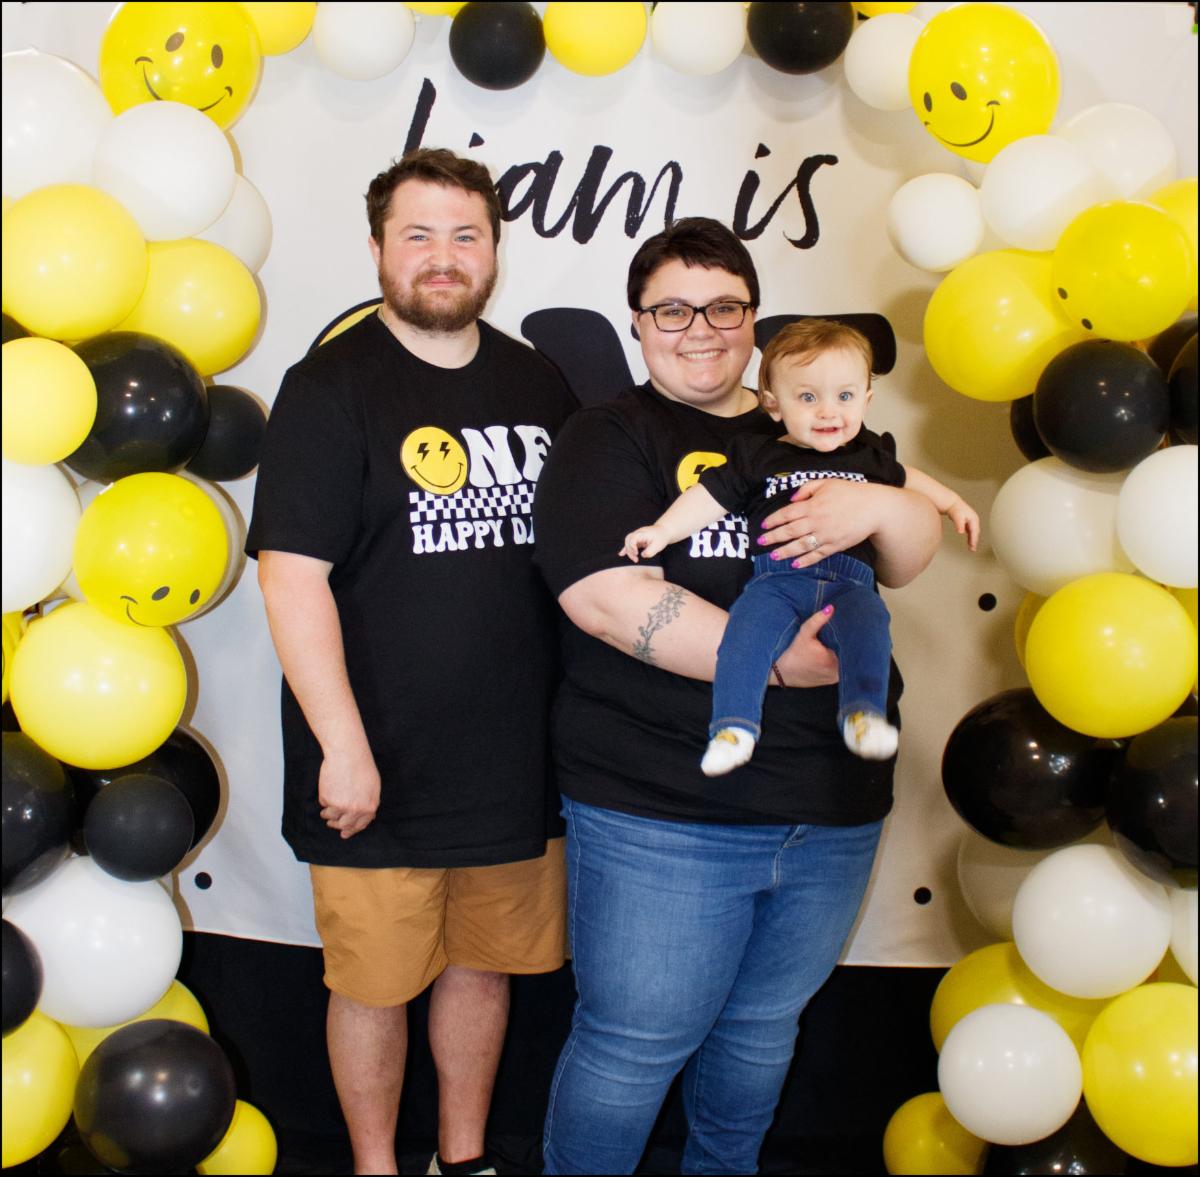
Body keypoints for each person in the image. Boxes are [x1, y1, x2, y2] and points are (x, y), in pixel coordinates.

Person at [531, 217, 943, 1175]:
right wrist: (776, 666)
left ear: (754, 322)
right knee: (635, 1043)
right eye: (671, 308)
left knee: (762, 1032)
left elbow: (912, 562)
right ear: (637, 325)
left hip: (831, 804)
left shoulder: (816, 418)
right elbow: (602, 597)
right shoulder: (608, 436)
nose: (700, 327)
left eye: (724, 306)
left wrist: (887, 506)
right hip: (663, 807)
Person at [246, 148, 576, 1177]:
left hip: (512, 765)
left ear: (495, 251)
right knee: (375, 982)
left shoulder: (536, 379)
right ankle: (378, 1165)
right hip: (373, 766)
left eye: (465, 235)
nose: (444, 257)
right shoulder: (330, 387)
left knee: (483, 969)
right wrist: (343, 748)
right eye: (419, 234)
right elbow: (291, 577)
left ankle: (464, 1157)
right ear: (381, 248)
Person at [620, 319, 979, 775]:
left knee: (870, 630)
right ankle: (733, 728)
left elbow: (910, 480)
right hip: (777, 581)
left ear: (866, 399)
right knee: (743, 637)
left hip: (852, 586)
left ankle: (862, 715)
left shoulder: (869, 456)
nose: (829, 412)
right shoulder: (759, 455)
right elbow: (709, 497)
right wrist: (664, 531)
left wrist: (954, 504)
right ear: (773, 404)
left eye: (845, 397)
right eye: (808, 398)